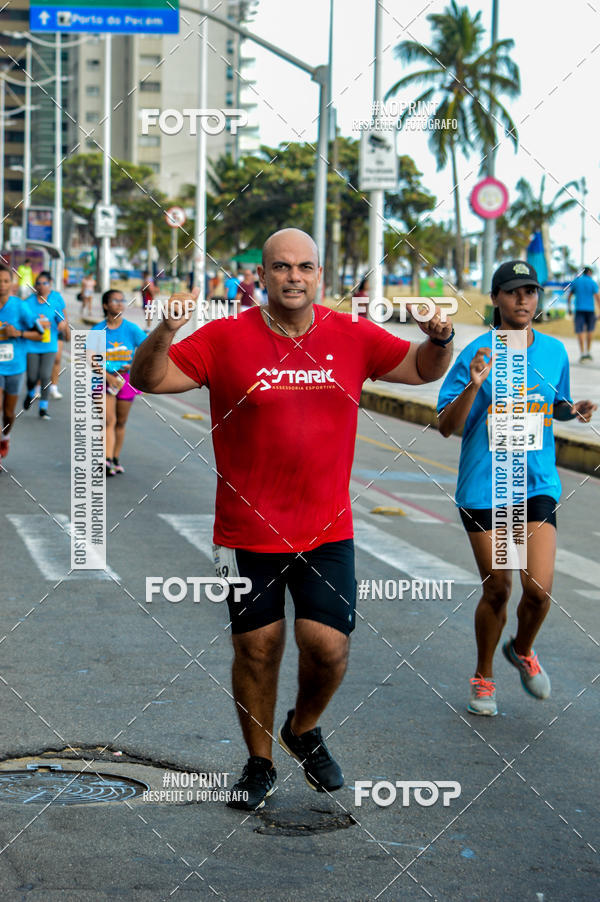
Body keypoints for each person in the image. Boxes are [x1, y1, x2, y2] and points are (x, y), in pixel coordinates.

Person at [130, 227, 454, 810]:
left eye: (305, 266)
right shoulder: (226, 338)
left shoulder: (350, 334)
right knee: (258, 648)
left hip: (327, 528)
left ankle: (302, 728)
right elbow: (147, 380)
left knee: (327, 647)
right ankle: (258, 762)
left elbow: (421, 369)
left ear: (320, 274)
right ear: (262, 274)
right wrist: (166, 330)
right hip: (245, 532)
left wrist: (441, 338)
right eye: (281, 267)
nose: (294, 277)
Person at [437, 260, 596, 717]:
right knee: (499, 590)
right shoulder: (477, 352)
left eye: (530, 291)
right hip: (486, 488)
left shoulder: (553, 352)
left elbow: (555, 403)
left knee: (539, 590)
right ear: (496, 299)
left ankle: (521, 648)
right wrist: (473, 386)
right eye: (513, 292)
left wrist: (571, 410)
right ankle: (484, 674)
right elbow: (447, 425)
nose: (523, 299)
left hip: (536, 484)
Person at [91, 290, 147, 476]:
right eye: (115, 300)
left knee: (120, 422)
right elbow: (90, 358)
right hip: (103, 379)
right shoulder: (98, 330)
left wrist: (134, 364)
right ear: (106, 305)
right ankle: (105, 460)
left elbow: (147, 349)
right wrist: (108, 377)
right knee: (108, 419)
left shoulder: (131, 329)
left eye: (121, 300)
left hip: (126, 380)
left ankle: (115, 458)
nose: (119, 303)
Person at [0, 265, 44, 462]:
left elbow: (39, 334)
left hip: (15, 367)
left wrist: (17, 333)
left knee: (8, 413)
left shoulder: (20, 307)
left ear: (12, 284)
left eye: (5, 281)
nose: (1, 285)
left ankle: (5, 437)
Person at [23, 272, 70, 419]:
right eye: (39, 283)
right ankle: (30, 392)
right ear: (35, 285)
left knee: (44, 375)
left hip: (49, 345)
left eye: (45, 283)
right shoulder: (28, 303)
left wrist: (62, 325)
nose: (42, 286)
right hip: (31, 344)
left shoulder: (54, 302)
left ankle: (43, 407)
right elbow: (22, 321)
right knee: (31, 377)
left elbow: (61, 319)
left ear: (50, 285)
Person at [568, 266, 600, 362]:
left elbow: (569, 296)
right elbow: (597, 297)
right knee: (590, 330)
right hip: (590, 310)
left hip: (579, 309)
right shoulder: (592, 282)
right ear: (590, 273)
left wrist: (569, 308)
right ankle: (588, 352)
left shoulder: (576, 281)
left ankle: (582, 353)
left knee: (580, 331)